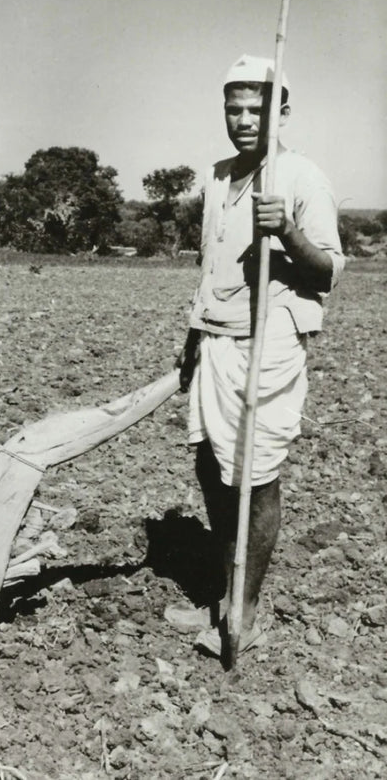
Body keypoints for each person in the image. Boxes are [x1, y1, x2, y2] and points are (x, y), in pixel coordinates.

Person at [174, 55, 344, 658]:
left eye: (258, 109)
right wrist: (193, 339)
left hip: (267, 341)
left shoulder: (300, 177)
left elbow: (327, 269)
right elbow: (210, 267)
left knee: (255, 473)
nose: (244, 120)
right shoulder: (219, 176)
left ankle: (246, 610)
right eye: (234, 108)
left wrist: (287, 233)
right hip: (216, 335)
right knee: (211, 465)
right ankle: (225, 590)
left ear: (283, 112)